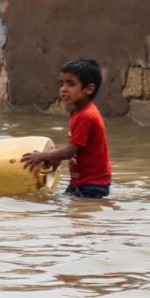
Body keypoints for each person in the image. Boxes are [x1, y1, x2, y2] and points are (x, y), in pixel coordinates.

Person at [21, 59, 112, 199]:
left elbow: (70, 151)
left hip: (92, 184)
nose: (63, 89)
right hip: (83, 181)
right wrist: (57, 157)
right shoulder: (79, 113)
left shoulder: (87, 116)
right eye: (61, 83)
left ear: (89, 89)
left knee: (79, 217)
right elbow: (77, 147)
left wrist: (43, 156)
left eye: (71, 84)